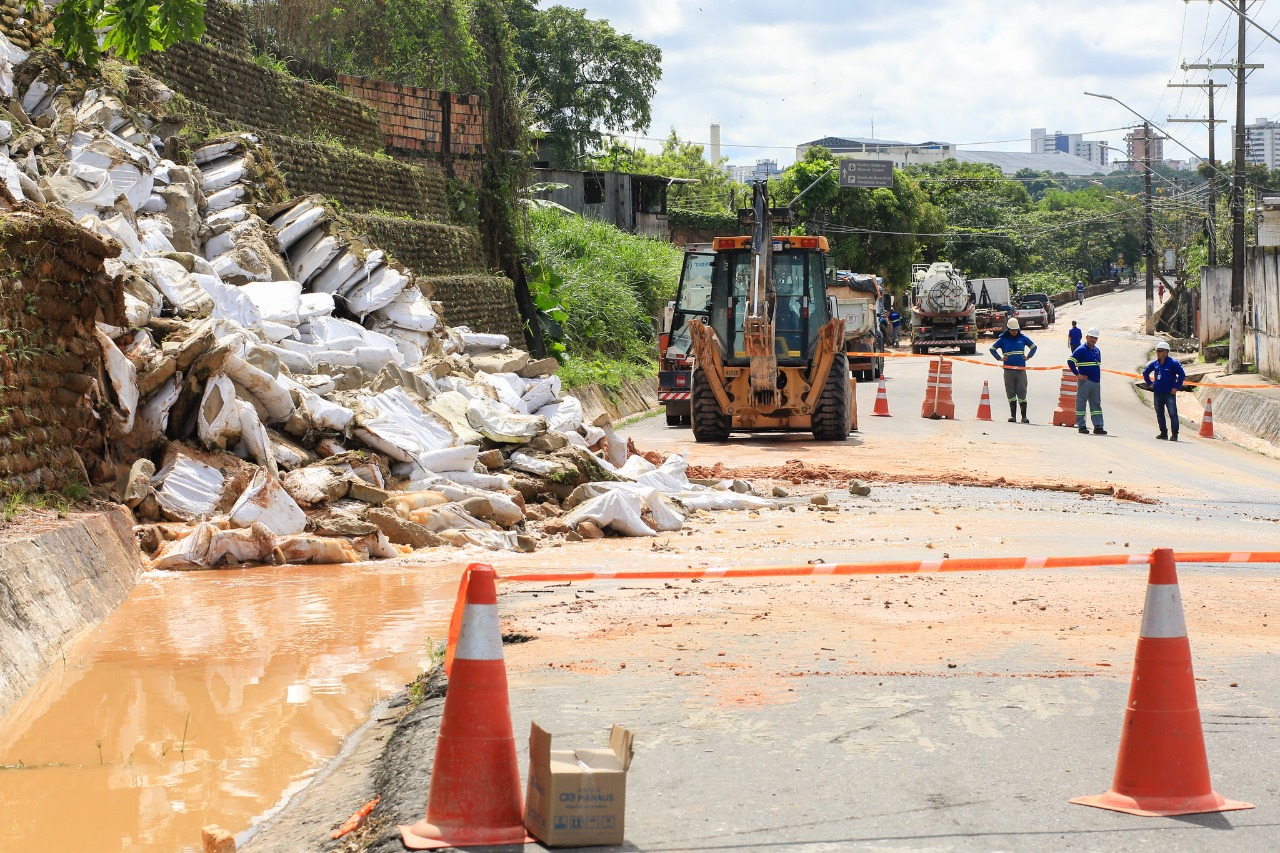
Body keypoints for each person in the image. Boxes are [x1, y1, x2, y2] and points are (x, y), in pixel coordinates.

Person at [989, 317, 1038, 423]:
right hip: (1008, 371)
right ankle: (1013, 416)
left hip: (1021, 370)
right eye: (1012, 330)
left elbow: (1034, 347)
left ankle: (1024, 417)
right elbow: (992, 349)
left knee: (1022, 392)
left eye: (1016, 330)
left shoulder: (1023, 338)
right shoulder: (1003, 339)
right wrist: (1000, 358)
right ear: (1008, 329)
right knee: (1010, 392)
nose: (1014, 332)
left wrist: (1028, 357)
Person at [1143, 340, 1187, 441]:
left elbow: (1181, 375)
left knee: (1172, 413)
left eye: (1160, 351)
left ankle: (1174, 434)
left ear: (1166, 352)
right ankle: (1163, 433)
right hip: (1158, 393)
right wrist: (1150, 384)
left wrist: (1176, 387)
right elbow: (1145, 372)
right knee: (1159, 413)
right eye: (1157, 351)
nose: (1158, 353)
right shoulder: (1155, 364)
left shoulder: (1173, 363)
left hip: (1169, 393)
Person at [1068, 326, 1106, 435]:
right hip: (1085, 382)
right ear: (1087, 337)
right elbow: (1070, 361)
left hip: (1096, 382)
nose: (1093, 340)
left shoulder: (1097, 351)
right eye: (1091, 337)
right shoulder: (1081, 349)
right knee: (1081, 403)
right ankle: (1081, 425)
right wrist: (1078, 375)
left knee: (1096, 405)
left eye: (1095, 338)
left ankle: (1098, 426)